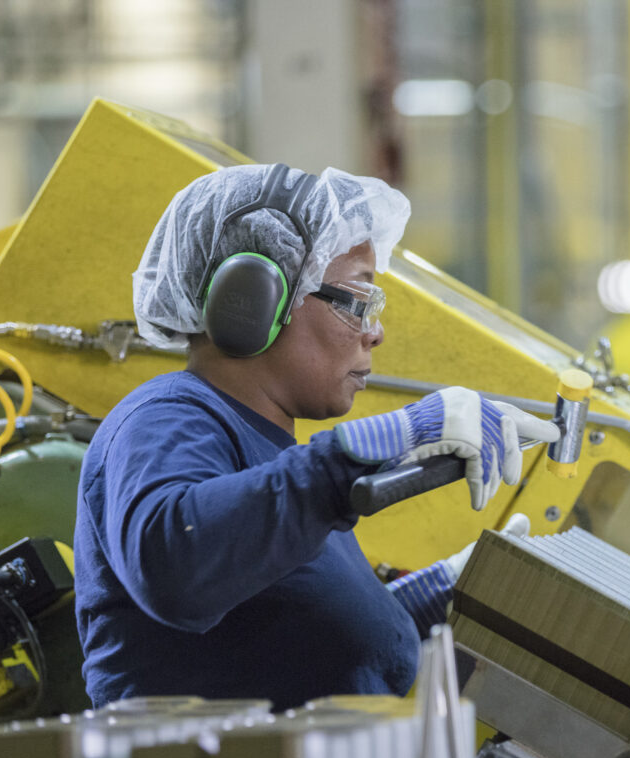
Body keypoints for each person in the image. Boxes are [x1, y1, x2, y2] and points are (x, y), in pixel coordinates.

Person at [74, 163, 557, 709]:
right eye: (356, 303)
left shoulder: (280, 462)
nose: (375, 333)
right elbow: (174, 565)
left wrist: (438, 597)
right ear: (254, 299)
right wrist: (370, 447)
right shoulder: (165, 418)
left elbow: (293, 644)